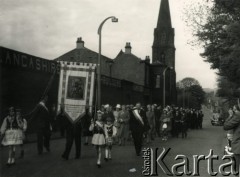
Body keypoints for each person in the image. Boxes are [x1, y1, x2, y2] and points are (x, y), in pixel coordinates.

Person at [224, 104, 240, 175]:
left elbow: (226, 126)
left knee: (237, 168)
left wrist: (231, 116)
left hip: (238, 145)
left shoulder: (237, 115)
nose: (233, 110)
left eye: (234, 109)